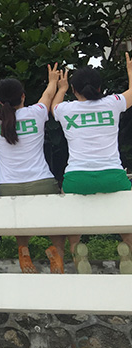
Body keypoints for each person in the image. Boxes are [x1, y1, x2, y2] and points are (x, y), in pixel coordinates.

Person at [52, 54, 132, 274]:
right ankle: (128, 247)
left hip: (77, 178)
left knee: (72, 217)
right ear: (99, 87)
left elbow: (53, 105)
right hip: (113, 176)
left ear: (74, 90)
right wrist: (130, 71)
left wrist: (60, 87)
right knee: (126, 217)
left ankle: (77, 249)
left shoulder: (65, 110)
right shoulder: (113, 103)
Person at [0, 67, 66, 274]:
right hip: (41, 181)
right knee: (55, 222)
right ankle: (58, 255)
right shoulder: (36, 112)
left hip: (8, 185)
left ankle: (23, 251)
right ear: (22, 96)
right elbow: (48, 95)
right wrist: (53, 81)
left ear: (0, 100)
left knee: (20, 222)